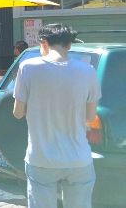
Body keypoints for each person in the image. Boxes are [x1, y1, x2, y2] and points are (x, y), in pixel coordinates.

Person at [13, 24, 100, 208]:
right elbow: (90, 116)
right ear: (69, 45)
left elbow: (17, 113)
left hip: (41, 158)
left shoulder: (27, 67)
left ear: (43, 43)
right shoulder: (88, 71)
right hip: (78, 158)